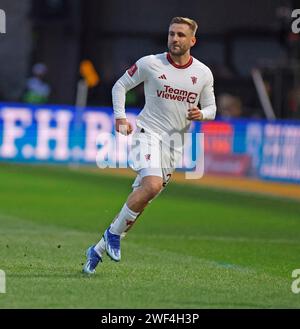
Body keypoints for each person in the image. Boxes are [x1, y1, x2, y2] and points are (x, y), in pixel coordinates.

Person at [83, 17, 217, 274]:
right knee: (152, 184)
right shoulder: (150, 63)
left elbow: (211, 106)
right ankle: (112, 236)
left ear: (192, 41)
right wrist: (120, 116)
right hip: (147, 134)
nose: (175, 39)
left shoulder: (202, 73)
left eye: (180, 35)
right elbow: (120, 85)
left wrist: (203, 114)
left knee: (141, 202)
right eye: (171, 33)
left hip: (174, 146)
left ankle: (98, 249)